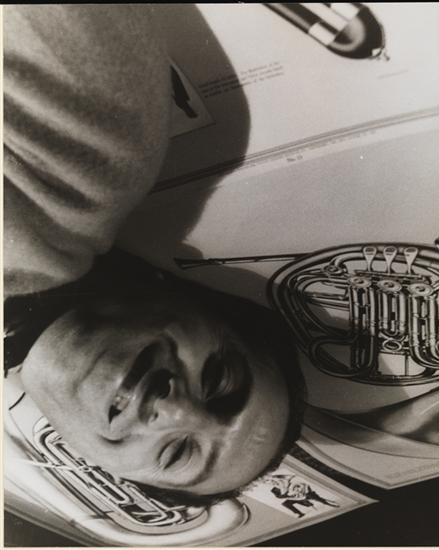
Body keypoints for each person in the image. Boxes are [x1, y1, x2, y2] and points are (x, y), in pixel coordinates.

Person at [4, 6, 304, 504]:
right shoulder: (104, 137)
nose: (176, 409)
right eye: (218, 376)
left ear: (93, 463)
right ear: (183, 296)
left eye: (177, 453)